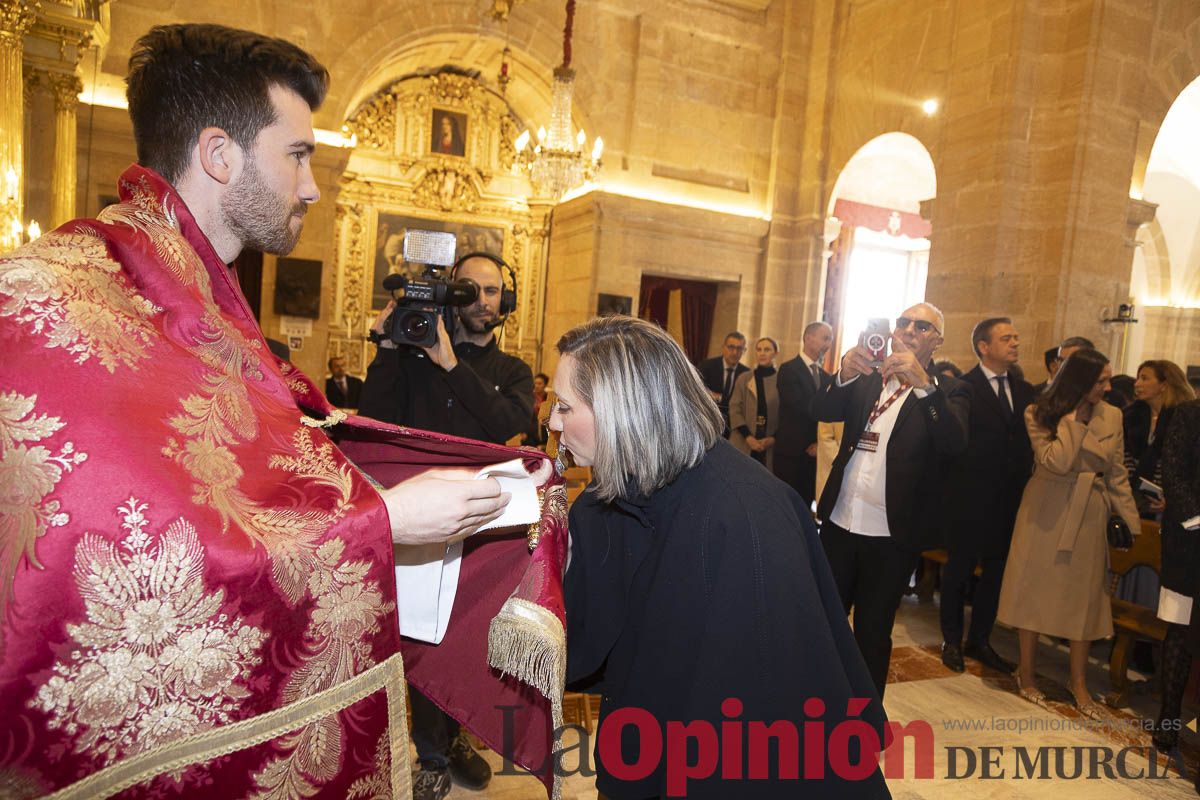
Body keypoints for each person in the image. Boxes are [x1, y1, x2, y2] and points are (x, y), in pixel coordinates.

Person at [0, 23, 514, 797]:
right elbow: (123, 563)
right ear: (220, 154)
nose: (311, 187)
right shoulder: (55, 301)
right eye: (298, 155)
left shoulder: (192, 296)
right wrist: (387, 522)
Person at [552, 315, 889, 799]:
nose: (552, 422)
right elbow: (588, 642)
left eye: (565, 406)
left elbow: (759, 709)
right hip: (646, 727)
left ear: (622, 408)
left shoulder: (746, 515)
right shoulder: (615, 489)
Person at [358, 251, 533, 799]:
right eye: (469, 289)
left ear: (505, 300)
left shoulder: (511, 371)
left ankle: (455, 738)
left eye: (491, 291)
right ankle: (431, 753)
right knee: (423, 636)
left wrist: (452, 363)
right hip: (423, 519)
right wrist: (389, 347)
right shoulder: (414, 359)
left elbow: (508, 424)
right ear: (452, 296)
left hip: (485, 523)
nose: (482, 300)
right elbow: (374, 416)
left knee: (468, 638)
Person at [813, 302, 970, 697]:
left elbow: (953, 445)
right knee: (821, 622)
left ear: (937, 340)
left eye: (922, 326)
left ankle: (863, 722)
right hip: (840, 521)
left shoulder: (950, 390)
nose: (910, 330)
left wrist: (924, 386)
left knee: (872, 632)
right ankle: (813, 706)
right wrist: (843, 374)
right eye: (904, 322)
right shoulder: (869, 376)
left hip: (891, 534)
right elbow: (821, 408)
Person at [996, 349, 1140, 719]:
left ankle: (1079, 682)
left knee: (1083, 599)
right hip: (1046, 508)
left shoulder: (1113, 414)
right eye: (1100, 380)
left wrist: (1130, 522)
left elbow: (1117, 473)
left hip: (1089, 510)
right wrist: (1073, 420)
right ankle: (1027, 673)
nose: (1108, 387)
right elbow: (1057, 462)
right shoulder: (1039, 412)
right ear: (1079, 381)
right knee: (1033, 591)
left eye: (1108, 379)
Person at [939, 317, 1034, 674]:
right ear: (984, 346)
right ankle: (951, 640)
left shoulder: (1024, 391)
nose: (1015, 343)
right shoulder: (963, 386)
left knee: (995, 574)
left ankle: (979, 639)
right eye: (1006, 338)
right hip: (969, 498)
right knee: (959, 572)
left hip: (1008, 501)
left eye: (1016, 337)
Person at [1152, 398, 1200, 756]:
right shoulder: (1190, 414)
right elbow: (1173, 472)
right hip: (1190, 540)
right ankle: (1168, 718)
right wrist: (1197, 518)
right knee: (1181, 630)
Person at [774, 321, 834, 505]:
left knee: (805, 507)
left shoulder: (825, 376)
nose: (828, 344)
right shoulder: (788, 369)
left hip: (815, 454)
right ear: (808, 338)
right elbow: (798, 406)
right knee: (785, 506)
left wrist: (819, 443)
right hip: (791, 453)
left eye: (830, 340)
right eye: (825, 338)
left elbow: (829, 415)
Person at [729, 336, 780, 470]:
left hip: (769, 445)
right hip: (743, 440)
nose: (762, 353)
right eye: (759, 349)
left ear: (776, 353)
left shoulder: (781, 380)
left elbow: (786, 413)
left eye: (767, 350)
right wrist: (748, 437)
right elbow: (734, 409)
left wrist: (773, 438)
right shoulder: (744, 378)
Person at [698, 331, 749, 436]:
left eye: (739, 348)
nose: (734, 352)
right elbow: (697, 391)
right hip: (707, 421)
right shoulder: (707, 366)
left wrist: (719, 397)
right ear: (723, 347)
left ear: (744, 351)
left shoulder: (746, 373)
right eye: (731, 347)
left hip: (733, 428)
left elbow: (744, 403)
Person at [527, 371, 550, 447]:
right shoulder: (529, 397)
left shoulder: (549, 398)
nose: (536, 386)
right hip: (530, 434)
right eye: (535, 383)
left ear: (545, 385)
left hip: (545, 433)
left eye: (539, 383)